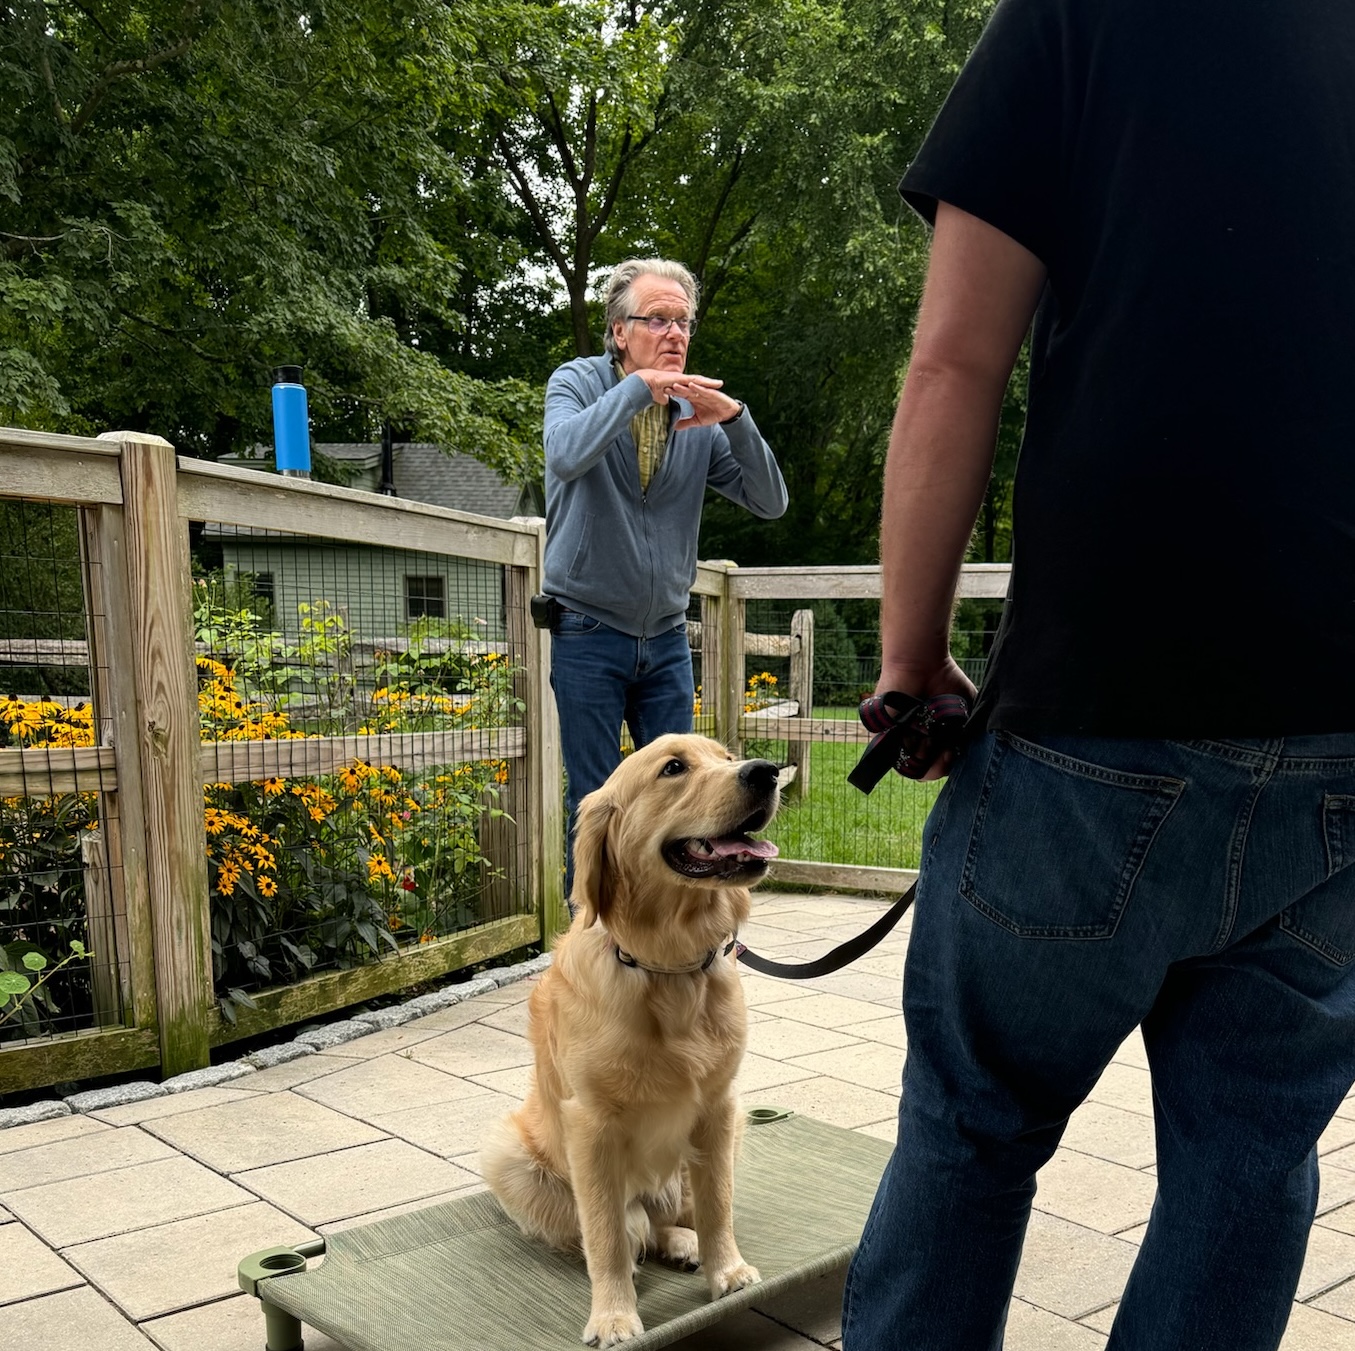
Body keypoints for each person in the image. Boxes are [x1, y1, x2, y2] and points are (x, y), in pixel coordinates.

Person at [842, 3, 1355, 1349]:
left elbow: (954, 359)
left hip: (1106, 699)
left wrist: (909, 660)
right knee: (1250, 1152)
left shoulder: (1082, 17)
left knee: (970, 1124)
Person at [542, 258, 787, 898]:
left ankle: (681, 945)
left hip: (669, 639)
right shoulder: (576, 384)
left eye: (683, 321)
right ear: (620, 331)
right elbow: (566, 454)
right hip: (587, 629)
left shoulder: (697, 416)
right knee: (596, 798)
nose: (675, 332)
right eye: (657, 319)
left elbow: (770, 502)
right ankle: (589, 945)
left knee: (689, 809)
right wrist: (636, 391)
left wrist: (734, 417)